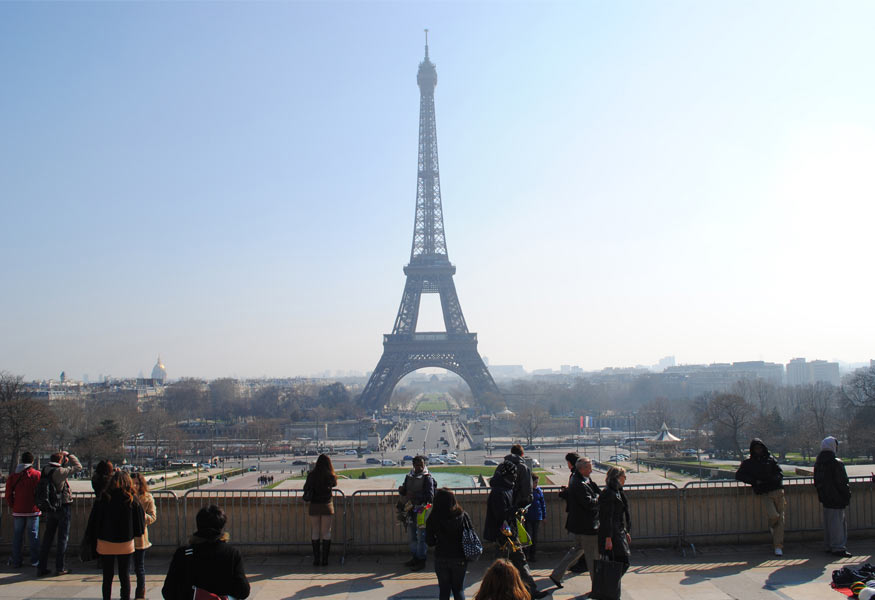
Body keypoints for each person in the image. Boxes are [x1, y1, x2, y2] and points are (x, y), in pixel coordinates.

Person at [483, 459, 547, 599]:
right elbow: (501, 515)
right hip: (505, 535)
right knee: (514, 563)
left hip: (507, 533)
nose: (516, 477)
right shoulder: (500, 492)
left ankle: (507, 591)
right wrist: (517, 507)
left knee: (510, 564)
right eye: (514, 475)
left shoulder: (504, 489)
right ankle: (528, 590)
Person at [161, 504, 250, 600]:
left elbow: (168, 591)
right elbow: (243, 591)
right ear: (221, 526)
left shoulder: (183, 553)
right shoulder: (232, 553)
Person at [86, 471, 146, 600]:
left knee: (107, 576)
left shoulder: (103, 498)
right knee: (124, 576)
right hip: (125, 543)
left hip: (105, 542)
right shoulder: (131, 499)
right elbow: (139, 524)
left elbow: (95, 521)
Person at [550, 456, 600, 589]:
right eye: (589, 467)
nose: (591, 470)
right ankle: (597, 586)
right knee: (592, 557)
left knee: (577, 550)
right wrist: (598, 498)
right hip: (587, 525)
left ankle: (556, 575)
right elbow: (588, 503)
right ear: (582, 469)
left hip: (579, 524)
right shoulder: (579, 483)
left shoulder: (578, 479)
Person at [735, 438, 785, 556]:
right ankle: (773, 528)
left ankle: (778, 546)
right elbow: (739, 475)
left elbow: (780, 473)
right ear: (753, 450)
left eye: (760, 448)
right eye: (756, 448)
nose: (758, 450)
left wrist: (774, 479)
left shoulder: (770, 460)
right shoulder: (749, 463)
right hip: (765, 492)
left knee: (781, 520)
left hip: (777, 490)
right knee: (774, 516)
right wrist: (754, 481)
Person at [37, 450, 82, 576]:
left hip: (50, 506)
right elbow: (78, 467)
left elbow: (54, 471)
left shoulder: (45, 469)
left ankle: (42, 566)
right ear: (61, 461)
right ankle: (60, 567)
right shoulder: (61, 472)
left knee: (48, 538)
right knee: (62, 538)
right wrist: (69, 455)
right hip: (62, 506)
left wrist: (62, 461)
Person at [425, 488, 469, 600]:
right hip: (460, 557)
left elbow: (429, 541)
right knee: (458, 589)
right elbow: (470, 534)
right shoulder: (462, 516)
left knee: (444, 591)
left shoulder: (433, 518)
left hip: (442, 556)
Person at [814, 436, 852, 557]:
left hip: (825, 497)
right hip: (837, 497)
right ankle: (838, 547)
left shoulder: (819, 462)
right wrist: (846, 494)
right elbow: (841, 481)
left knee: (828, 523)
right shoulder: (836, 462)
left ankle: (829, 545)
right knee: (838, 523)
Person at [398, 455, 436, 571]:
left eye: (421, 465)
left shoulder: (427, 478)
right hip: (410, 510)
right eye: (417, 465)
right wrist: (402, 490)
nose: (419, 467)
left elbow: (430, 496)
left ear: (424, 465)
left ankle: (421, 559)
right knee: (411, 536)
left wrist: (415, 495)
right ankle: (415, 557)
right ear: (413, 465)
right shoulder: (409, 476)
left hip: (422, 511)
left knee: (421, 536)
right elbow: (405, 489)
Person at [4, 451, 41, 568]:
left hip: (18, 509)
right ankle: (35, 560)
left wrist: (13, 505)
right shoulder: (37, 475)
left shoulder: (13, 476)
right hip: (33, 509)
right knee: (33, 536)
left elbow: (8, 493)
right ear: (32, 461)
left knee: (17, 536)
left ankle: (17, 560)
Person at [302, 453, 338, 566]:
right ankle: (325, 560)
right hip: (326, 505)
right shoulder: (330, 475)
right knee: (326, 532)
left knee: (315, 531)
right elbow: (334, 484)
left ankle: (316, 559)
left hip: (314, 505)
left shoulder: (312, 475)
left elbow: (305, 488)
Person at [598, 467, 631, 574]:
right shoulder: (610, 493)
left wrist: (625, 531)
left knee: (618, 562)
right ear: (617, 477)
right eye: (624, 477)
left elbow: (618, 516)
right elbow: (607, 517)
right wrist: (608, 538)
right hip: (613, 533)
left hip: (617, 531)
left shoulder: (616, 491)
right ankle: (609, 586)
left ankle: (611, 586)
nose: (625, 479)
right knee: (621, 561)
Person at [131, 473, 157, 599]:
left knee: (139, 568)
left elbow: (153, 517)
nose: (135, 486)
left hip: (140, 537)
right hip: (126, 537)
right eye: (133, 483)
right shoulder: (126, 497)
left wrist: (140, 514)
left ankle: (140, 592)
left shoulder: (148, 498)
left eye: (137, 483)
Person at [503, 444, 533, 509]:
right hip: (517, 502)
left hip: (503, 500)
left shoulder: (502, 466)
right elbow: (527, 488)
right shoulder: (523, 468)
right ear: (522, 455)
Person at [525, 472, 546, 563]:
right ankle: (527, 555)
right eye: (535, 483)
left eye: (537, 483)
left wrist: (544, 516)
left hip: (537, 516)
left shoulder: (538, 491)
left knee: (535, 537)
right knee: (528, 536)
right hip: (528, 517)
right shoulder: (527, 491)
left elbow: (542, 504)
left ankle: (532, 555)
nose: (536, 485)